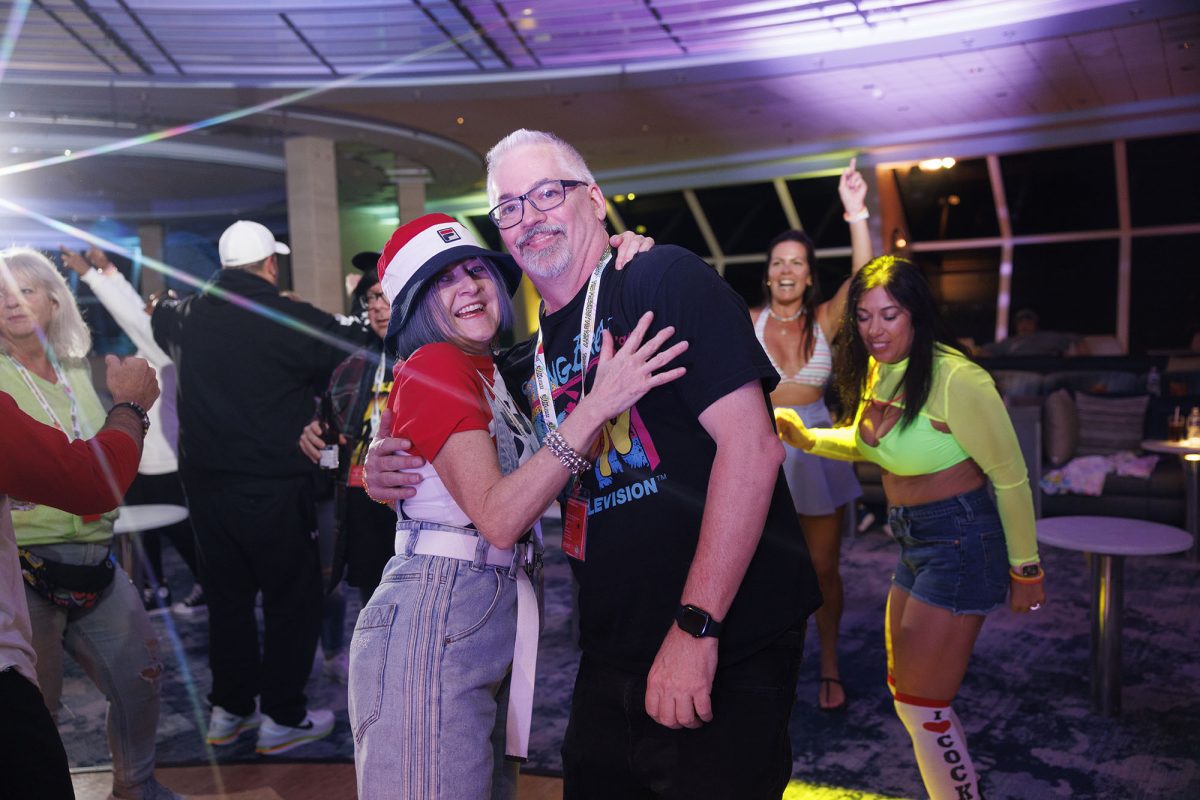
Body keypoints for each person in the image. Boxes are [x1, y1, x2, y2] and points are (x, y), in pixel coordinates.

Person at [367, 130, 822, 800]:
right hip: (610, 651)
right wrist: (382, 468)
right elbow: (457, 446)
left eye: (548, 193)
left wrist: (696, 627)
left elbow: (753, 450)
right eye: (510, 207)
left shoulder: (661, 279)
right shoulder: (522, 364)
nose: (531, 217)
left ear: (594, 199)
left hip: (720, 635)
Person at [347, 213, 682, 799]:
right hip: (440, 611)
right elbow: (499, 519)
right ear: (414, 306)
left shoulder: (492, 370)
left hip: (477, 611)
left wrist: (624, 254)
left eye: (475, 270)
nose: (470, 287)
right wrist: (598, 406)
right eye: (443, 280)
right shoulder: (439, 364)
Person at [775, 255, 1047, 800]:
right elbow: (874, 445)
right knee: (912, 699)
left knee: (923, 704)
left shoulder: (957, 377)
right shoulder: (883, 368)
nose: (874, 330)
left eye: (889, 315)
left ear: (916, 313)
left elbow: (1011, 477)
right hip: (912, 539)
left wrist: (1026, 569)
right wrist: (810, 439)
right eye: (864, 317)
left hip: (960, 538)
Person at [151, 220, 358, 754]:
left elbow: (160, 316)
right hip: (275, 490)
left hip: (207, 492)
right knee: (292, 601)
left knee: (228, 602)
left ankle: (230, 709)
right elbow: (354, 348)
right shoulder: (288, 318)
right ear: (271, 265)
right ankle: (282, 717)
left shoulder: (184, 317)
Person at [0, 247, 180, 800]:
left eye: (25, 290)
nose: (11, 302)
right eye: (1, 293)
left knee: (140, 679)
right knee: (34, 710)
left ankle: (136, 787)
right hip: (25, 569)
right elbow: (76, 470)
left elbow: (96, 451)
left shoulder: (80, 367)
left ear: (55, 301)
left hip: (96, 556)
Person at [750, 159, 869, 711]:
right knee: (760, 568)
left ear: (808, 275)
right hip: (760, 455)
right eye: (778, 261)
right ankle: (764, 665)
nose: (786, 269)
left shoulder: (823, 321)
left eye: (797, 262)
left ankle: (829, 663)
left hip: (816, 452)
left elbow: (865, 278)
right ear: (767, 274)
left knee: (823, 568)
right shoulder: (746, 320)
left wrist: (855, 212)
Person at [59, 245, 204, 616]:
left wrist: (90, 275)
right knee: (143, 534)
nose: (147, 306)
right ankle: (157, 591)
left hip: (165, 460)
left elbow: (130, 314)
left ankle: (206, 583)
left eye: (156, 303)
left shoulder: (166, 345)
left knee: (181, 532)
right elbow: (135, 309)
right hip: (141, 456)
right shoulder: (154, 340)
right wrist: (108, 270)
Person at [978, 308, 1085, 357]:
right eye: (1021, 322)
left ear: (1035, 325)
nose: (1024, 325)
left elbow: (1075, 338)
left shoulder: (1046, 337)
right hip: (1014, 374)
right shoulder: (1009, 342)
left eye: (1028, 322)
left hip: (1040, 374)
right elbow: (986, 349)